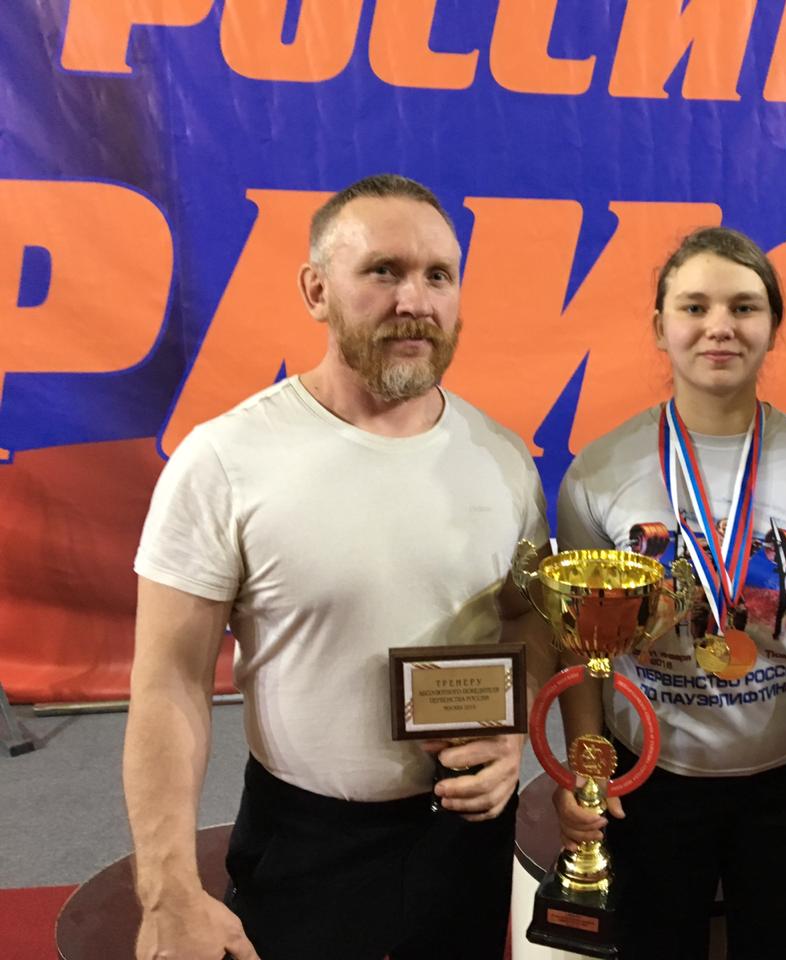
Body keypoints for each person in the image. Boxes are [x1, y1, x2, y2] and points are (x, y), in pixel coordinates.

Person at [124, 174, 553, 960]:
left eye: (438, 275)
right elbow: (168, 683)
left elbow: (526, 620)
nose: (414, 300)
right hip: (305, 843)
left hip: (467, 833)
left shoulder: (502, 460)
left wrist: (511, 726)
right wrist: (168, 888)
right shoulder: (224, 461)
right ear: (316, 290)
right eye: (383, 270)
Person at [552, 227, 786, 959]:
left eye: (744, 307)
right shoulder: (599, 472)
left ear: (773, 326)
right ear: (659, 327)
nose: (719, 326)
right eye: (694, 307)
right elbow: (581, 644)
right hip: (650, 779)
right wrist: (587, 771)